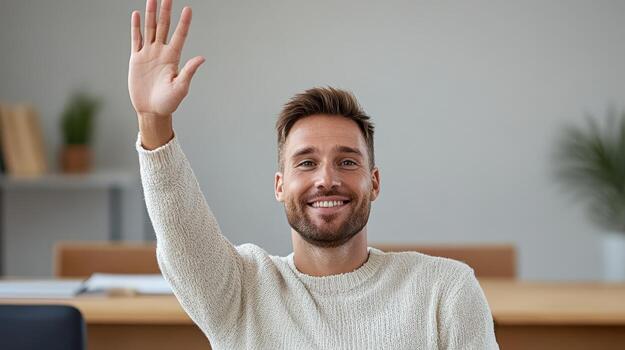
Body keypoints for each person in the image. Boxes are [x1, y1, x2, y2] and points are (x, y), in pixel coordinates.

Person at [128, 0, 499, 349]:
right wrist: (153, 120)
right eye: (306, 162)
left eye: (347, 162)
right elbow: (181, 231)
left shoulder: (443, 290)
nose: (326, 179)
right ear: (279, 186)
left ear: (374, 183)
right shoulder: (240, 290)